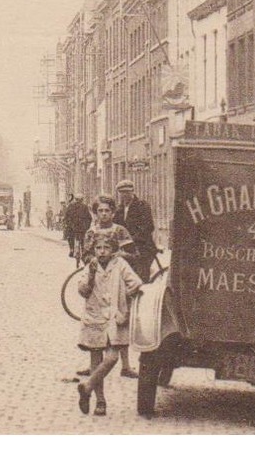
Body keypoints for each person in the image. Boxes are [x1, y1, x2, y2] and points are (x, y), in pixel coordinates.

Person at [74, 233, 143, 417]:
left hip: (115, 318)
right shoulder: (91, 266)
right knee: (96, 360)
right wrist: (90, 275)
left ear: (113, 250)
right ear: (94, 250)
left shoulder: (120, 265)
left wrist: (125, 304)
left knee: (112, 358)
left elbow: (136, 284)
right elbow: (82, 291)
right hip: (95, 317)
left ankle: (87, 386)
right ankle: (100, 402)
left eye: (106, 248)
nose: (102, 252)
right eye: (98, 248)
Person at [114, 179, 158, 283]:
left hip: (143, 247)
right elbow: (116, 226)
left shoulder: (142, 206)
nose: (125, 195)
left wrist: (132, 239)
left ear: (133, 191)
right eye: (122, 192)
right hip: (126, 248)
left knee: (140, 280)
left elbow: (149, 227)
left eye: (127, 192)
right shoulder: (119, 209)